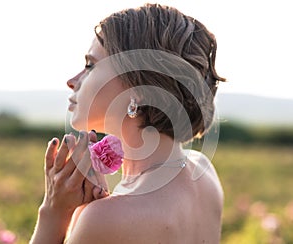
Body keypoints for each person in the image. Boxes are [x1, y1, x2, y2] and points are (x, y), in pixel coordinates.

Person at [30, 3, 226, 244]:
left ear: (139, 88)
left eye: (90, 65)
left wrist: (52, 212)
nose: (72, 81)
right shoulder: (203, 172)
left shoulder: (104, 218)